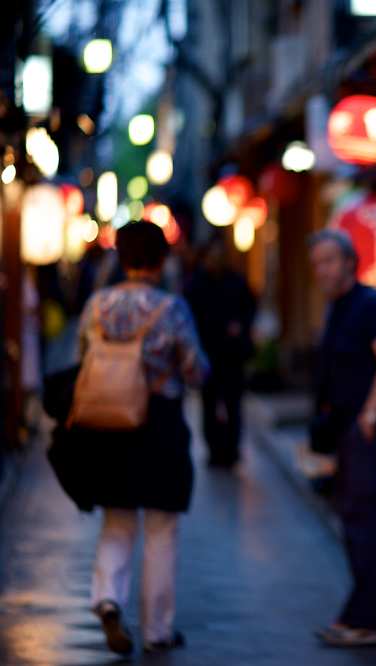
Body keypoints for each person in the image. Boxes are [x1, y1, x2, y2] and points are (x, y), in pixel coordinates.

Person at [48, 221, 208, 656]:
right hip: (159, 426)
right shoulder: (171, 309)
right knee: (161, 529)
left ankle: (107, 598)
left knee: (117, 522)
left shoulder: (97, 305)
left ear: (121, 256)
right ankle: (157, 629)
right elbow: (195, 370)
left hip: (107, 425)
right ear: (161, 258)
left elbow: (82, 359)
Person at [309, 229, 376, 647]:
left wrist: (369, 415)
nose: (323, 269)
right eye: (317, 263)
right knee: (353, 522)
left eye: (330, 259)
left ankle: (373, 621)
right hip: (346, 432)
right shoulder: (337, 308)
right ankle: (364, 614)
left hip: (369, 431)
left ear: (350, 261)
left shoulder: (371, 304)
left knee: (366, 522)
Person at [185, 235, 256, 467]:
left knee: (233, 403)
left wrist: (240, 326)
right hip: (207, 353)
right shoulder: (196, 283)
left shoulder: (235, 281)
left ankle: (232, 448)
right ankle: (214, 449)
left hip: (232, 355)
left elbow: (249, 307)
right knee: (209, 403)